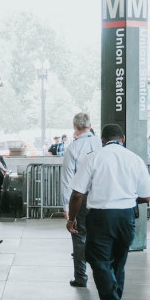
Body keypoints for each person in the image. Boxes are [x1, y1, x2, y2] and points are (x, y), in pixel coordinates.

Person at [66, 123, 150, 300]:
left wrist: (72, 219)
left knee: (98, 261)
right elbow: (147, 196)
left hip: (100, 217)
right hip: (126, 217)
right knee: (118, 264)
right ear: (122, 138)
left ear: (102, 140)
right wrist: (127, 196)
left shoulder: (94, 158)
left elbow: (78, 193)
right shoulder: (135, 160)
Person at [60, 112, 101, 288]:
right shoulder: (101, 144)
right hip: (101, 197)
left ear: (74, 127)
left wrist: (66, 207)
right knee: (100, 236)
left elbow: (67, 180)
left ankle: (80, 277)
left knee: (79, 235)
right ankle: (101, 274)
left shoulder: (73, 148)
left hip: (81, 197)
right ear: (90, 126)